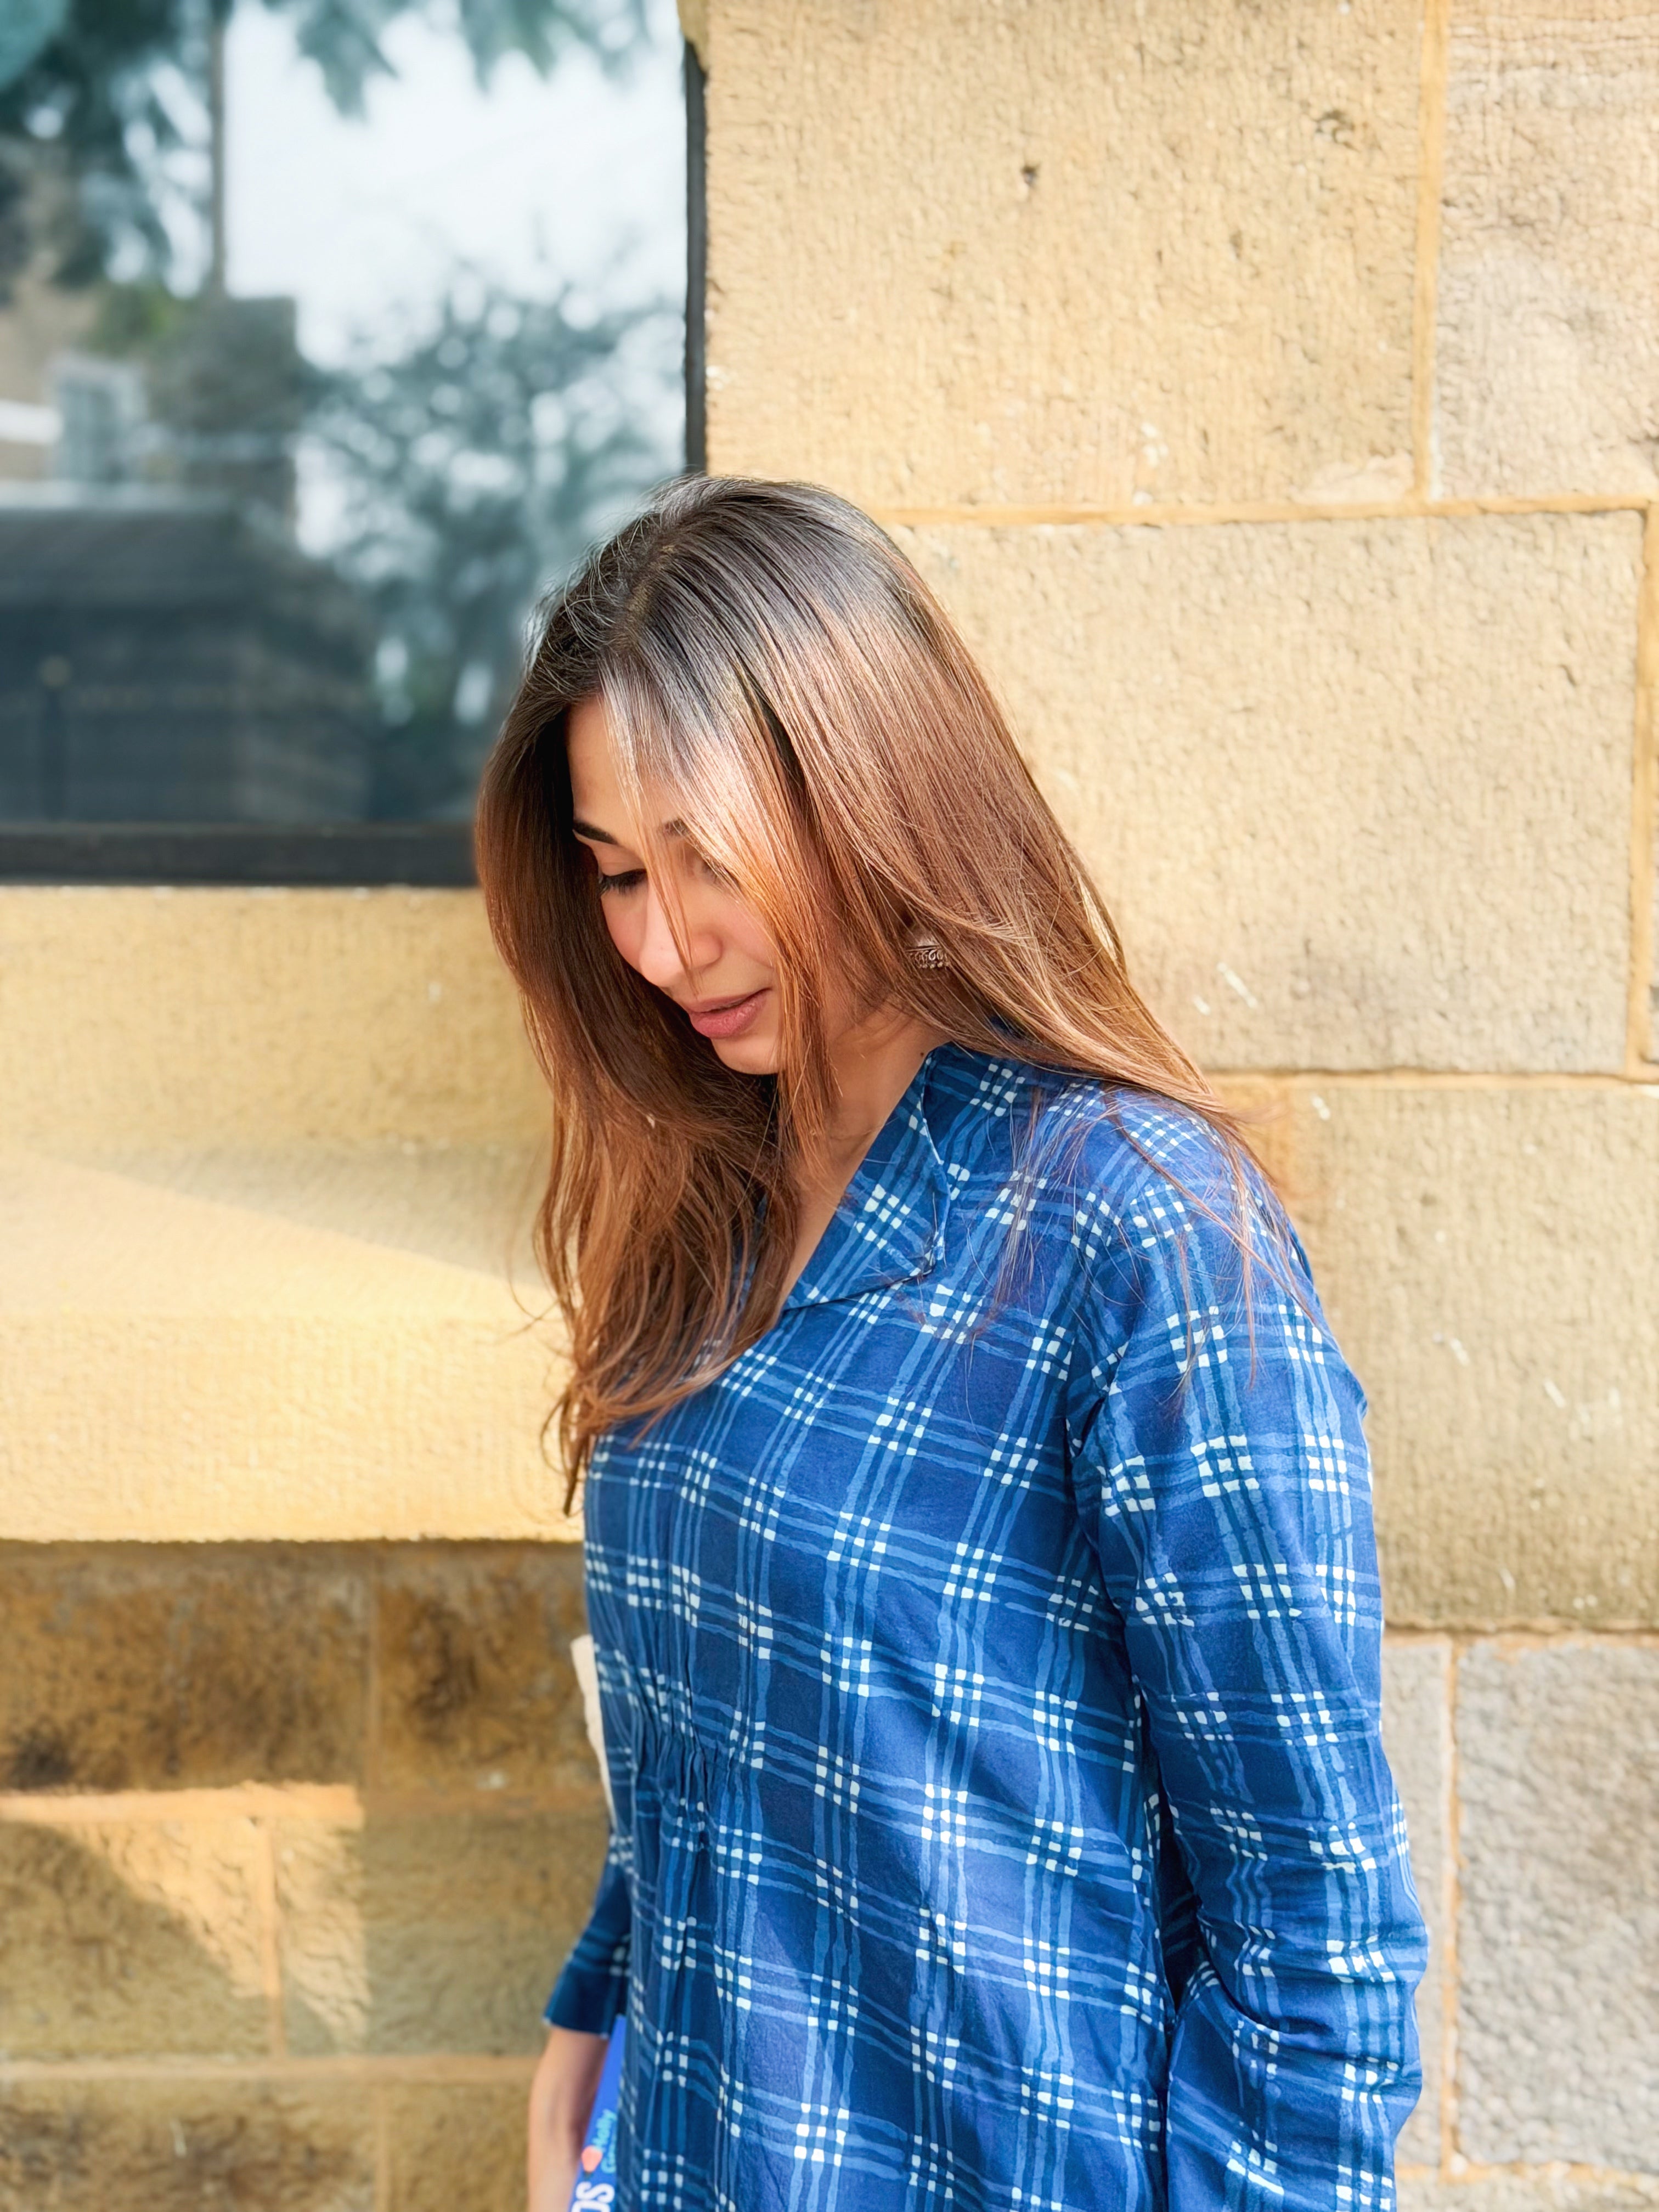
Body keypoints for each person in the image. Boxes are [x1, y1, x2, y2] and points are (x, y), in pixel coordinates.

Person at [475, 477, 1426, 2212]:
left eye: (707, 855)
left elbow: (1318, 1945)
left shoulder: (1134, 1226)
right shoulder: (714, 1204)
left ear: (869, 790)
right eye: (615, 871)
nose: (661, 942)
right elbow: (715, 1723)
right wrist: (582, 2041)